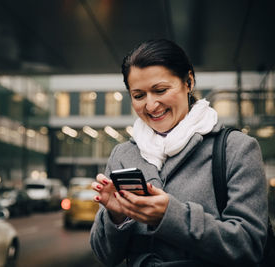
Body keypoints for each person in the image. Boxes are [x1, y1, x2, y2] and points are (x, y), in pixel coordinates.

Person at [89, 39, 268, 266]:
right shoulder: (123, 155)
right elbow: (105, 256)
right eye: (138, 95)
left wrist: (170, 216)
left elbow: (249, 246)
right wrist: (116, 217)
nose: (151, 105)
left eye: (160, 90)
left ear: (189, 81)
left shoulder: (236, 148)